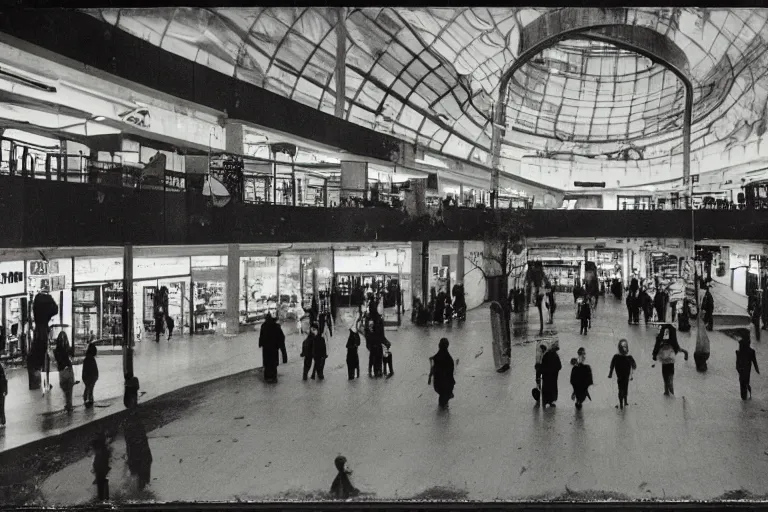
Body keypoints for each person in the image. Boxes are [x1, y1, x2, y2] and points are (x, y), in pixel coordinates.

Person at [123, 399, 152, 490]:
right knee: (143, 462)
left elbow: (129, 442)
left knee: (139, 464)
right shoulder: (134, 424)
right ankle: (141, 484)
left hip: (136, 447)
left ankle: (140, 483)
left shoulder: (128, 424)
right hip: (139, 446)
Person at [652, 324, 689, 396]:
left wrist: (654, 355)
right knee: (670, 375)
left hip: (664, 360)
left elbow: (657, 345)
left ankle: (666, 391)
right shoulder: (672, 334)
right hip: (671, 359)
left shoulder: (661, 335)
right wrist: (685, 354)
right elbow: (677, 347)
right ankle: (671, 392)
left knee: (665, 375)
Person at [259, 313, 288, 384]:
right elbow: (281, 338)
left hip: (266, 348)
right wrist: (283, 353)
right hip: (274, 348)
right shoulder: (276, 326)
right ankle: (273, 378)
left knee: (267, 363)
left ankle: (267, 377)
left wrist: (260, 344)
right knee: (273, 363)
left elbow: (261, 336)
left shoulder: (263, 326)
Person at [608, 339, 637, 410]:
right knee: (625, 387)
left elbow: (612, 365)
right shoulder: (629, 357)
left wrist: (610, 373)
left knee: (620, 388)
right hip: (626, 376)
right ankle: (625, 401)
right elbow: (634, 366)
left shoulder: (616, 357)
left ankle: (621, 402)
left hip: (619, 376)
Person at [428, 338, 456, 410]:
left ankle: (442, 405)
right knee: (444, 396)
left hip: (439, 383)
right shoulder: (449, 359)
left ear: (439, 346)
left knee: (442, 397)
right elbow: (450, 372)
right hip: (446, 384)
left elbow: (434, 368)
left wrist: (430, 376)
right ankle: (444, 405)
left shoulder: (437, 357)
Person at [53, 332, 75, 412]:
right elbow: (72, 356)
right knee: (69, 388)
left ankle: (68, 404)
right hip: (68, 369)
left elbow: (57, 360)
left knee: (65, 388)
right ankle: (69, 404)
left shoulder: (56, 351)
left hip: (62, 371)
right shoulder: (68, 348)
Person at [736, 334, 760, 400]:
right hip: (747, 369)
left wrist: (738, 369)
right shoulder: (751, 351)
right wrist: (756, 369)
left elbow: (737, 362)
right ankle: (747, 395)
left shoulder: (739, 352)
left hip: (741, 369)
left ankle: (744, 397)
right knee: (746, 382)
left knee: (742, 383)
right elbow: (754, 361)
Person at [540, 340, 562, 408]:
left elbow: (542, 365)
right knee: (552, 388)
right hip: (553, 376)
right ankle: (550, 401)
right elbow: (559, 366)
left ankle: (545, 401)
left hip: (546, 375)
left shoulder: (546, 355)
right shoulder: (555, 356)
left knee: (546, 388)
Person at [91, 431, 112, 501]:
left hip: (101, 469)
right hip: (102, 469)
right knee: (103, 484)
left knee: (102, 485)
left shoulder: (102, 448)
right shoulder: (104, 448)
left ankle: (102, 499)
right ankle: (104, 499)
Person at [82, 342, 99, 407]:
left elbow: (85, 370)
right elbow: (94, 369)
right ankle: (88, 400)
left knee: (88, 388)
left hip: (87, 377)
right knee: (90, 389)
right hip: (91, 377)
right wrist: (96, 376)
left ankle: (87, 399)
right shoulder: (91, 359)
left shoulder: (87, 358)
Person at [0, 362, 6, 428]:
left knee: (1, 405)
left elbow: (3, 379)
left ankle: (2, 421)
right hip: (2, 389)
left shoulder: (0, 366)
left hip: (1, 389)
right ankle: (2, 421)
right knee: (1, 405)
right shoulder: (1, 365)